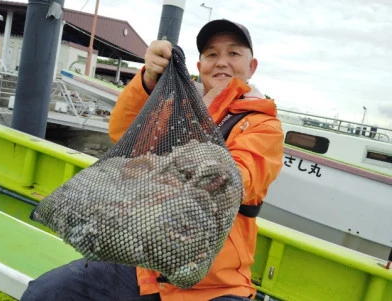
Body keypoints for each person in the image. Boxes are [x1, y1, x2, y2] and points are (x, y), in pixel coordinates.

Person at [20, 19, 284, 301]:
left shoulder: (262, 126)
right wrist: (148, 79)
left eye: (234, 54)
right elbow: (123, 132)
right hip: (141, 266)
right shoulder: (176, 107)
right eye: (211, 54)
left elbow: (235, 179)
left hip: (215, 284)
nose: (221, 62)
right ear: (199, 66)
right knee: (45, 293)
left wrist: (164, 168)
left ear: (251, 66)